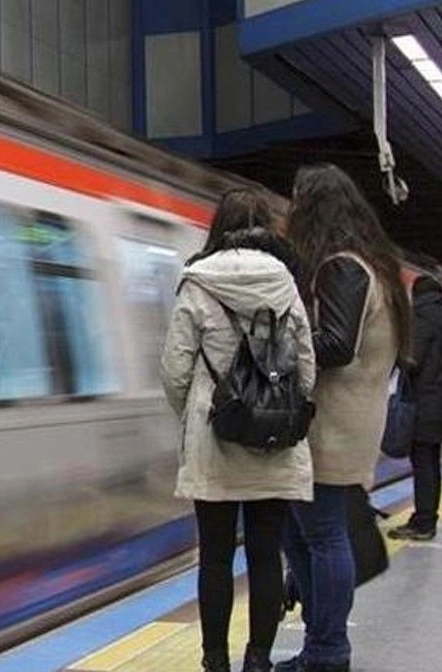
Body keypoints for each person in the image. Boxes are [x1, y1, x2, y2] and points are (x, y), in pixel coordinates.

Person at [161, 187, 316, 672]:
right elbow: (307, 366)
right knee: (267, 555)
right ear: (267, 229)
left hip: (215, 438)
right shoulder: (286, 284)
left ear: (218, 227)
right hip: (273, 441)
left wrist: (195, 412)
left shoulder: (197, 282)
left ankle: (215, 661)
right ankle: (259, 660)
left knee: (215, 556)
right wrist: (282, 407)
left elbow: (174, 369)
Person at [277, 163, 411, 672]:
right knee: (306, 533)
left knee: (320, 534)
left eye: (296, 201)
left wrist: (279, 349)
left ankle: (328, 650)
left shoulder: (343, 267)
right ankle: (322, 644)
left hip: (333, 424)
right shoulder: (372, 265)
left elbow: (335, 345)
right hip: (350, 419)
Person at [389, 270, 442, 541]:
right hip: (435, 400)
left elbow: (413, 359)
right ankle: (425, 517)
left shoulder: (423, 314)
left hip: (426, 402)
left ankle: (423, 522)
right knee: (431, 462)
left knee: (424, 463)